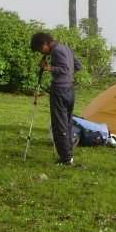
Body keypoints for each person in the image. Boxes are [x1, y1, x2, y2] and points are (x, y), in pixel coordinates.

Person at [30, 31, 82, 166]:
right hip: (70, 90)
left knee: (59, 125)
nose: (42, 53)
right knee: (67, 123)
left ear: (45, 44)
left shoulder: (56, 51)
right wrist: (66, 77)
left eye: (40, 49)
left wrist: (49, 68)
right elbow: (77, 66)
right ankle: (68, 155)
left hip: (60, 90)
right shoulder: (66, 48)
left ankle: (65, 159)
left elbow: (64, 69)